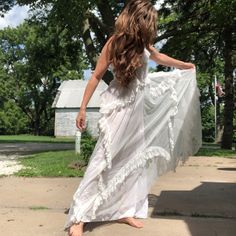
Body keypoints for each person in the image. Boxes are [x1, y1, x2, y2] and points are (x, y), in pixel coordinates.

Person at [64, 1, 201, 235]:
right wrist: (82, 109)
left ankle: (125, 209)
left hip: (136, 112)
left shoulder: (144, 45)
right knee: (103, 160)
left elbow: (160, 58)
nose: (152, 27)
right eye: (149, 22)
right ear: (138, 21)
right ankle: (79, 216)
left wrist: (185, 65)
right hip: (118, 108)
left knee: (131, 160)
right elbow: (95, 77)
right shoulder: (114, 42)